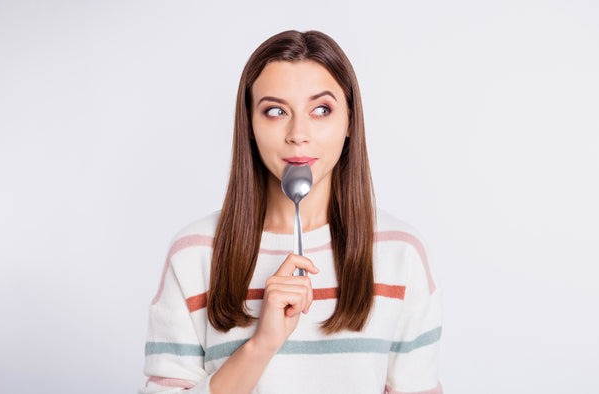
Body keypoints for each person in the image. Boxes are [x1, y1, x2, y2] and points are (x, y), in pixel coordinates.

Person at [140, 30, 443, 394]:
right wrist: (261, 344)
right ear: (249, 126)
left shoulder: (400, 252)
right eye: (275, 111)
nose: (298, 133)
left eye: (321, 109)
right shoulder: (195, 253)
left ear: (349, 121)